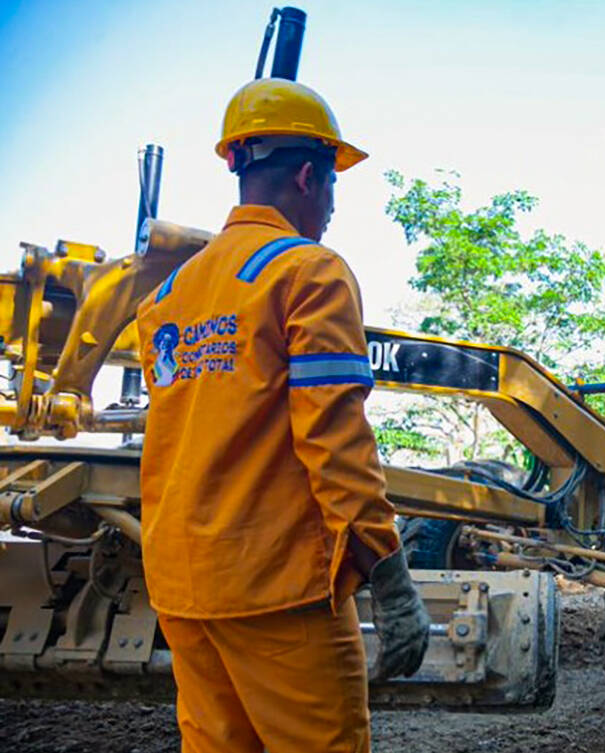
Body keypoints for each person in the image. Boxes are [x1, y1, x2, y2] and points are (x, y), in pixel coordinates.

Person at [136, 77, 429, 752]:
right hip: (276, 592)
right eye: (332, 187)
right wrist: (387, 571)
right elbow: (335, 441)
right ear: (307, 175)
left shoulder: (169, 298)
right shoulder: (310, 273)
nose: (331, 209)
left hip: (184, 587)